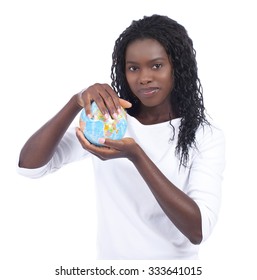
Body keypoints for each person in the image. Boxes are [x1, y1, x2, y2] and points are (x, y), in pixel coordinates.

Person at [17, 14, 225, 260]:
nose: (144, 77)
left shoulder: (204, 135)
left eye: (156, 65)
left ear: (177, 67)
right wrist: (75, 101)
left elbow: (198, 229)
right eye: (133, 68)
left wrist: (137, 156)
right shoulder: (110, 122)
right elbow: (29, 166)